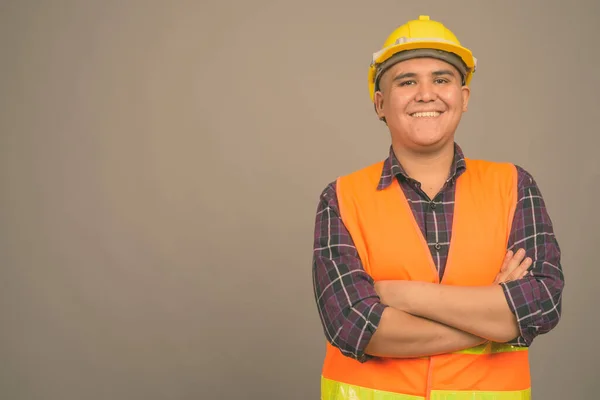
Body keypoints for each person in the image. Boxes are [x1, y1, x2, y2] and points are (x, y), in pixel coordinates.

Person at [311, 15, 564, 400]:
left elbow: (542, 304)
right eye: (407, 81)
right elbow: (354, 324)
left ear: (463, 99)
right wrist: (493, 319)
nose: (425, 93)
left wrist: (403, 296)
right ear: (380, 103)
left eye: (441, 79)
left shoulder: (514, 185)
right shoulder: (342, 197)